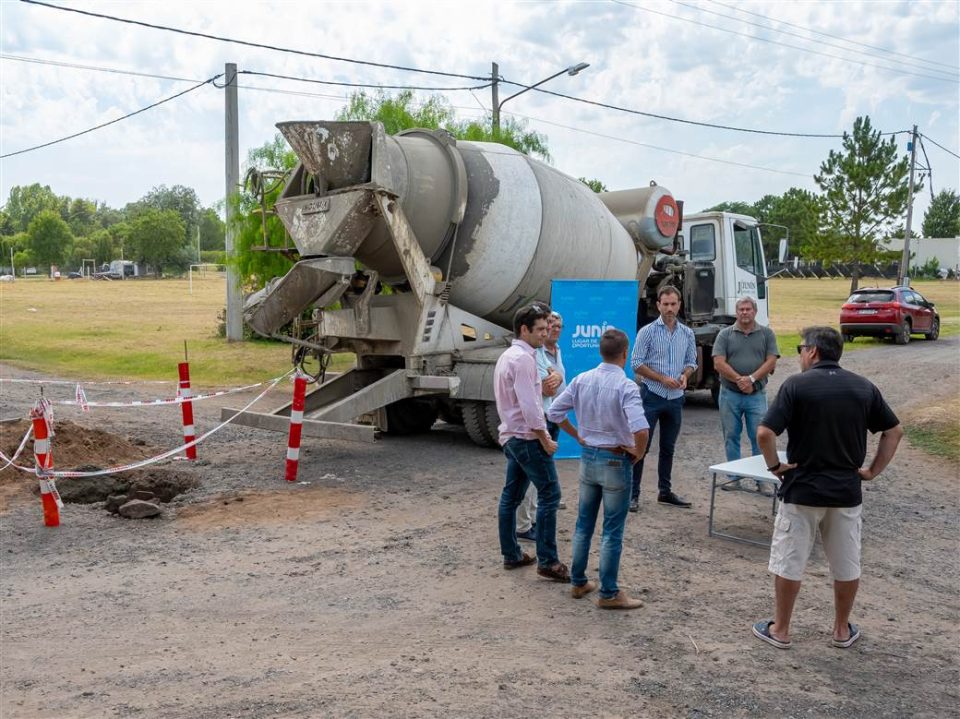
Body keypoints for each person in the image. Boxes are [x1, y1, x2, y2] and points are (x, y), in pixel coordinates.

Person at [752, 326, 903, 650]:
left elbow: (765, 433)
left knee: (790, 560)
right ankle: (840, 630)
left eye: (800, 349)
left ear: (813, 352)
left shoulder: (796, 386)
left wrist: (775, 467)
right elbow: (894, 431)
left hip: (802, 488)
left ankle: (781, 629)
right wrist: (872, 471)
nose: (800, 356)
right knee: (846, 562)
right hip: (846, 490)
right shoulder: (863, 387)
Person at [548, 329, 650, 609]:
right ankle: (608, 592)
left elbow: (554, 412)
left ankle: (579, 581)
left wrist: (578, 434)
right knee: (612, 530)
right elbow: (641, 428)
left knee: (583, 524)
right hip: (615, 459)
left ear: (600, 352)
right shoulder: (626, 386)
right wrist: (638, 453)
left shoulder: (583, 379)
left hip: (589, 457)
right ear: (625, 353)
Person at [494, 303, 570, 582]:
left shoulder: (509, 355)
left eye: (547, 328)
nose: (545, 333)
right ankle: (548, 561)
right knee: (550, 494)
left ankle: (512, 554)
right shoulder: (525, 359)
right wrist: (545, 438)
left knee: (510, 497)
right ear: (524, 330)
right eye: (540, 329)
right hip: (527, 437)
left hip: (513, 436)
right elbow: (530, 406)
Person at [629, 286, 697, 511]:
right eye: (665, 304)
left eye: (673, 304)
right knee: (642, 446)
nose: (669, 308)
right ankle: (633, 494)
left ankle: (664, 492)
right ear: (658, 305)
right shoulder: (646, 332)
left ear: (679, 305)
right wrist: (661, 378)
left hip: (676, 397)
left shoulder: (687, 333)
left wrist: (685, 376)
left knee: (668, 447)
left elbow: (691, 362)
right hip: (651, 395)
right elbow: (636, 363)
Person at [712, 297, 780, 493]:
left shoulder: (767, 334)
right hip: (729, 394)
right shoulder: (725, 335)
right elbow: (718, 363)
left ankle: (762, 479)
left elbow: (771, 361)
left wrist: (751, 379)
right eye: (741, 309)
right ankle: (733, 478)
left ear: (755, 311)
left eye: (748, 309)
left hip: (756, 395)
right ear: (737, 311)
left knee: (759, 437)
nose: (744, 312)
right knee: (731, 435)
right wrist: (739, 380)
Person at [517, 312, 566, 541]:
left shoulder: (553, 353)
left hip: (550, 416)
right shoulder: (530, 355)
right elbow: (544, 390)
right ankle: (524, 527)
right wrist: (544, 436)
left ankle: (530, 522)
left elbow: (556, 378)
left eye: (558, 326)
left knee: (533, 481)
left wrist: (554, 377)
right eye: (548, 326)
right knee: (528, 481)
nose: (552, 330)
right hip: (537, 423)